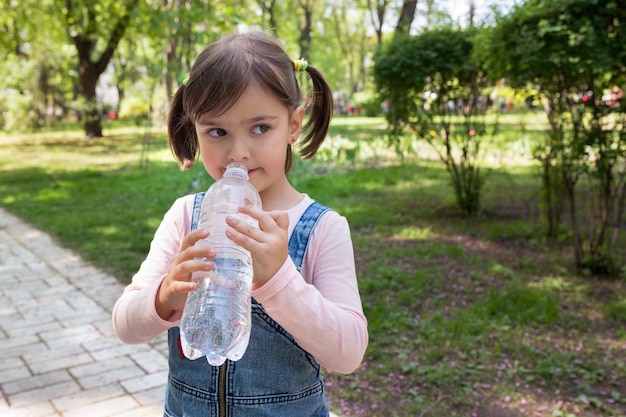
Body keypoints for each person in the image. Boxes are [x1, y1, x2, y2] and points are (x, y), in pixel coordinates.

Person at [112, 31, 368, 417]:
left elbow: (348, 353)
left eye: (260, 128)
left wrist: (280, 278)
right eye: (217, 131)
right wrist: (164, 297)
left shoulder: (322, 228)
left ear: (293, 124)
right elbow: (125, 323)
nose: (238, 152)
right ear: (195, 129)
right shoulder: (185, 217)